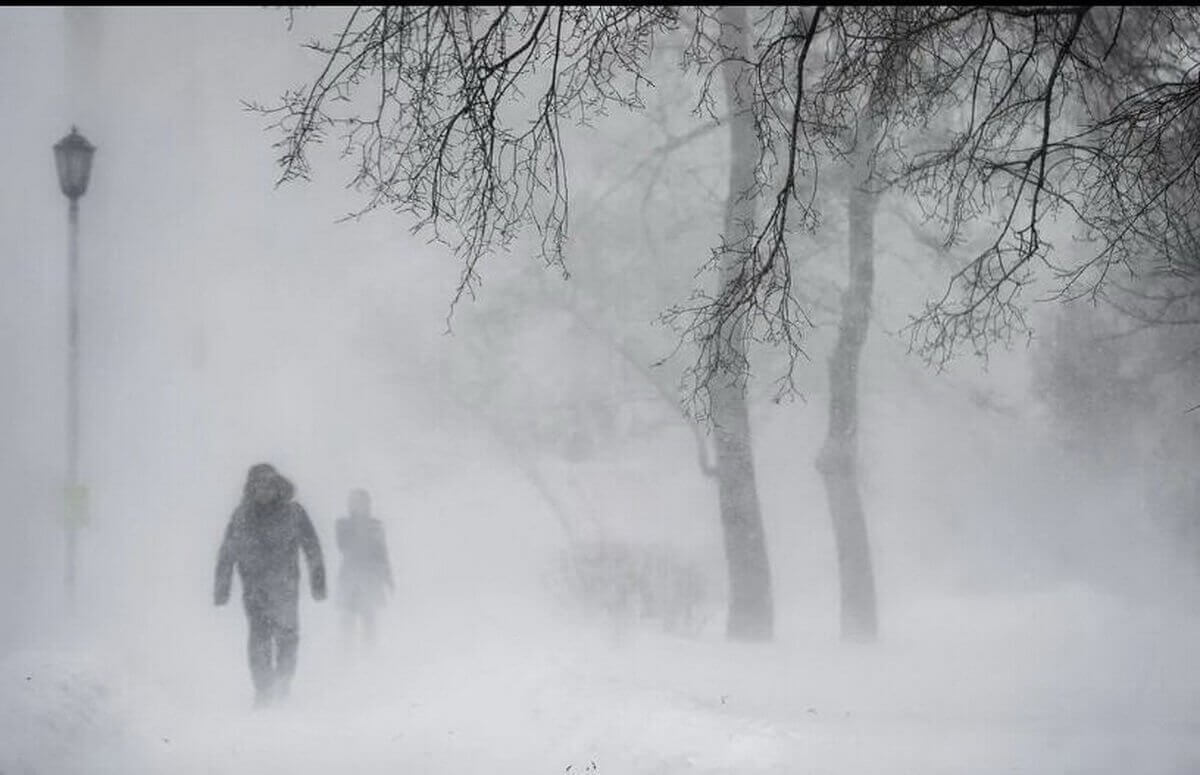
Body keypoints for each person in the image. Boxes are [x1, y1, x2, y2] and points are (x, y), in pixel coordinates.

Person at [214, 463, 326, 707]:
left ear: (277, 487)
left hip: (285, 588)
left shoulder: (294, 513)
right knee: (259, 640)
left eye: (269, 485)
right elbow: (227, 553)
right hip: (255, 591)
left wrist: (318, 583)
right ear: (251, 488)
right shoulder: (241, 516)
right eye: (259, 486)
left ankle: (283, 685)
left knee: (287, 638)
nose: (264, 491)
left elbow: (312, 548)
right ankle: (264, 691)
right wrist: (222, 589)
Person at [335, 488, 394, 650]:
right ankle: (345, 654)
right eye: (355, 502)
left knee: (369, 618)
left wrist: (388, 578)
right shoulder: (343, 524)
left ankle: (370, 655)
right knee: (348, 618)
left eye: (362, 502)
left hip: (370, 577)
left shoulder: (376, 525)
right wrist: (359, 525)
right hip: (350, 577)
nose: (359, 505)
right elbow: (343, 546)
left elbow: (382, 553)